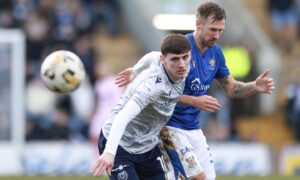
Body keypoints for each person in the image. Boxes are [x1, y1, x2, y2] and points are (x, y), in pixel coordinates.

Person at [115, 2, 275, 180]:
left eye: (220, 30)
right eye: (212, 29)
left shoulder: (216, 53)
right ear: (198, 23)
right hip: (168, 127)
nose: (216, 35)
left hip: (193, 128)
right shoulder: (180, 50)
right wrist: (194, 100)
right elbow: (158, 92)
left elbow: (231, 88)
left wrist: (254, 86)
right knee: (199, 178)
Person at [90, 34, 192, 179]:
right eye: (175, 59)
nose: (181, 64)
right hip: (120, 143)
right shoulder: (152, 87)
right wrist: (109, 152)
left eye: (185, 57)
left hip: (147, 145)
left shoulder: (175, 64)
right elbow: (122, 117)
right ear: (164, 60)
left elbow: (152, 55)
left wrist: (135, 70)